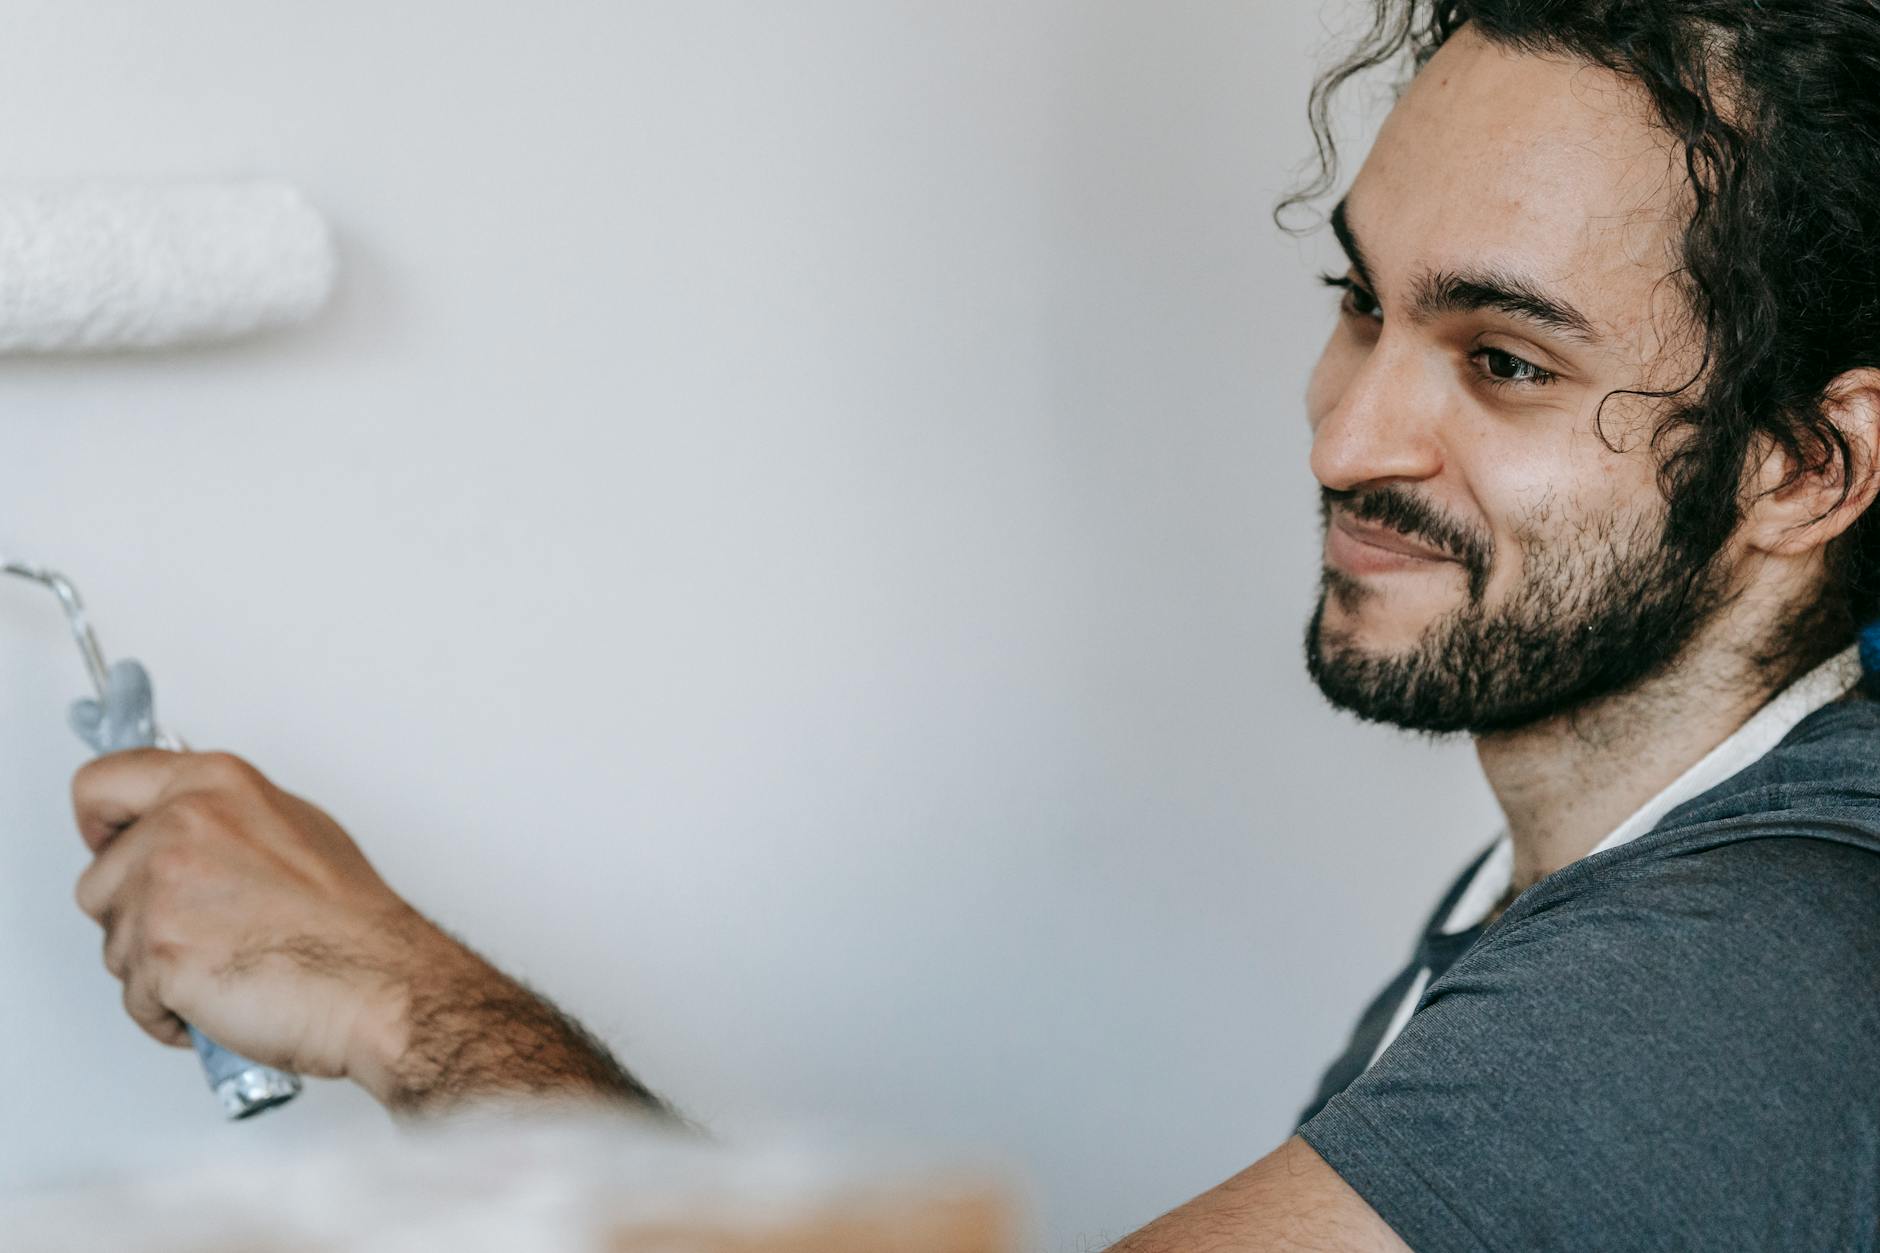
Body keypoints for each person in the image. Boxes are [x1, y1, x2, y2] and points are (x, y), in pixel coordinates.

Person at [63, 1, 1880, 1247]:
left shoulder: (1739, 973)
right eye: (1358, 301)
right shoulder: (1642, 871)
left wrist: (408, 1006)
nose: (1345, 434)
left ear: (1809, 463)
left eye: (1501, 361)